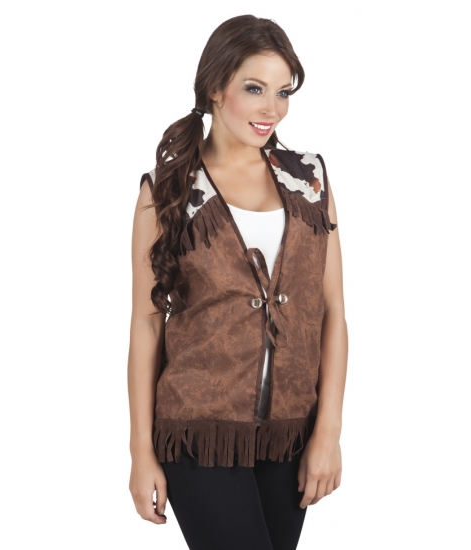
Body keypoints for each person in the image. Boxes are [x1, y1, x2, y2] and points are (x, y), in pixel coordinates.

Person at [128, 14, 348, 550]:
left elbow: (333, 313)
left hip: (289, 435)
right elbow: (146, 324)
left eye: (283, 92)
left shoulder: (309, 179)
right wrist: (140, 453)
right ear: (214, 87)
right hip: (198, 432)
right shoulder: (169, 190)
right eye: (254, 89)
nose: (272, 108)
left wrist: (328, 432)